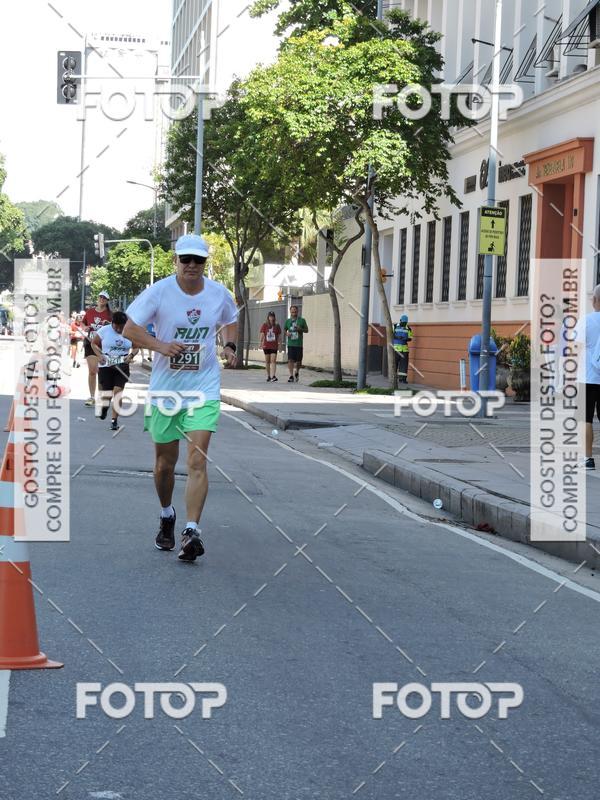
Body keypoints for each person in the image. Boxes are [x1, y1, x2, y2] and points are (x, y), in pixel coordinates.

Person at [123, 233, 238, 562]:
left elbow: (231, 320)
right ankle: (167, 514)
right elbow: (129, 328)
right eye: (185, 259)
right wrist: (160, 346)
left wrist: (229, 346)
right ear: (175, 261)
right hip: (166, 390)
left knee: (197, 460)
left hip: (203, 387)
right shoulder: (159, 292)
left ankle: (191, 530)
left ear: (205, 264)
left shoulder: (219, 294)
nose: (191, 265)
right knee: (164, 465)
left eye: (197, 260)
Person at [92, 311, 138, 431]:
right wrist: (99, 355)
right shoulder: (104, 330)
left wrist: (131, 355)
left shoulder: (130, 332)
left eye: (121, 327)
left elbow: (137, 346)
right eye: (116, 326)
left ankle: (114, 420)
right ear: (112, 323)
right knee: (106, 395)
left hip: (122, 366)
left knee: (118, 392)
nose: (118, 329)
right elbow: (94, 344)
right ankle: (104, 408)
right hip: (106, 365)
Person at [580, 285, 600, 469]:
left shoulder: (586, 321)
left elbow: (573, 347)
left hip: (588, 378)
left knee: (586, 419)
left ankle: (588, 459)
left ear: (594, 300)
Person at [81, 292, 112, 406]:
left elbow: (116, 327)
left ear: (107, 301)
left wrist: (108, 323)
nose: (102, 299)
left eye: (105, 298)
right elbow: (82, 323)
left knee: (102, 372)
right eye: (100, 297)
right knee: (93, 371)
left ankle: (101, 396)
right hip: (90, 343)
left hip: (104, 345)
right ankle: (92, 396)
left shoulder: (110, 314)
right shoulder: (90, 312)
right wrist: (85, 328)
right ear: (98, 298)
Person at [284, 305, 309, 383]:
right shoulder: (288, 321)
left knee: (298, 362)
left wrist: (300, 329)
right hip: (291, 343)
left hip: (298, 344)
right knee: (290, 360)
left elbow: (306, 330)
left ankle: (297, 371)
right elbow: (284, 329)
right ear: (290, 311)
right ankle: (291, 376)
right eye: (292, 311)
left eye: (295, 311)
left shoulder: (302, 320)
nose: (293, 312)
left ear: (297, 311)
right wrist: (287, 334)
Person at [260, 312, 281, 382]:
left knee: (273, 361)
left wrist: (280, 344)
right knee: (267, 361)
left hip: (274, 346)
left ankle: (273, 376)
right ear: (268, 317)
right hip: (266, 345)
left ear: (274, 317)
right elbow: (262, 334)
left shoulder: (277, 325)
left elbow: (279, 336)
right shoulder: (264, 325)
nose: (271, 318)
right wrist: (260, 343)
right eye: (270, 316)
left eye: (272, 316)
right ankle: (268, 376)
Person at [393, 314, 413, 384]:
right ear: (400, 320)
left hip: (404, 350)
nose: (404, 323)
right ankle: (393, 378)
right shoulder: (395, 326)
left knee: (404, 366)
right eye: (403, 322)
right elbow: (390, 334)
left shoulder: (408, 329)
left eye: (405, 322)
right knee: (394, 365)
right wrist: (397, 337)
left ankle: (403, 379)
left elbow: (410, 338)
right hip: (395, 350)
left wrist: (405, 339)